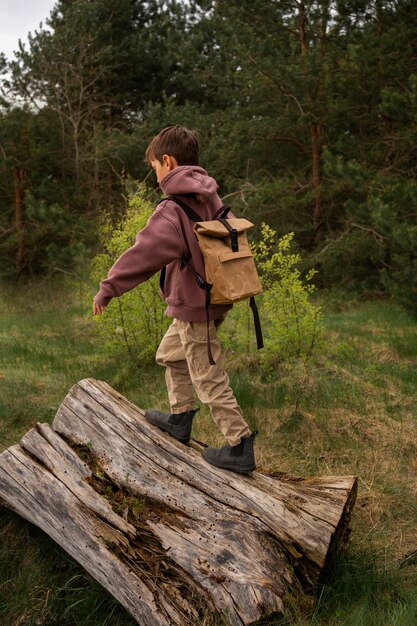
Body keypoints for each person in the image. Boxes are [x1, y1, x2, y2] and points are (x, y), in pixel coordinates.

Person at [93, 125, 256, 474]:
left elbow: (143, 254)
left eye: (154, 166)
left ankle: (240, 445)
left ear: (167, 161)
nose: (155, 174)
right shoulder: (208, 195)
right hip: (211, 300)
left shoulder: (172, 208)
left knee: (208, 376)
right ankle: (180, 417)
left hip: (195, 307)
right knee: (170, 354)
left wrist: (108, 288)